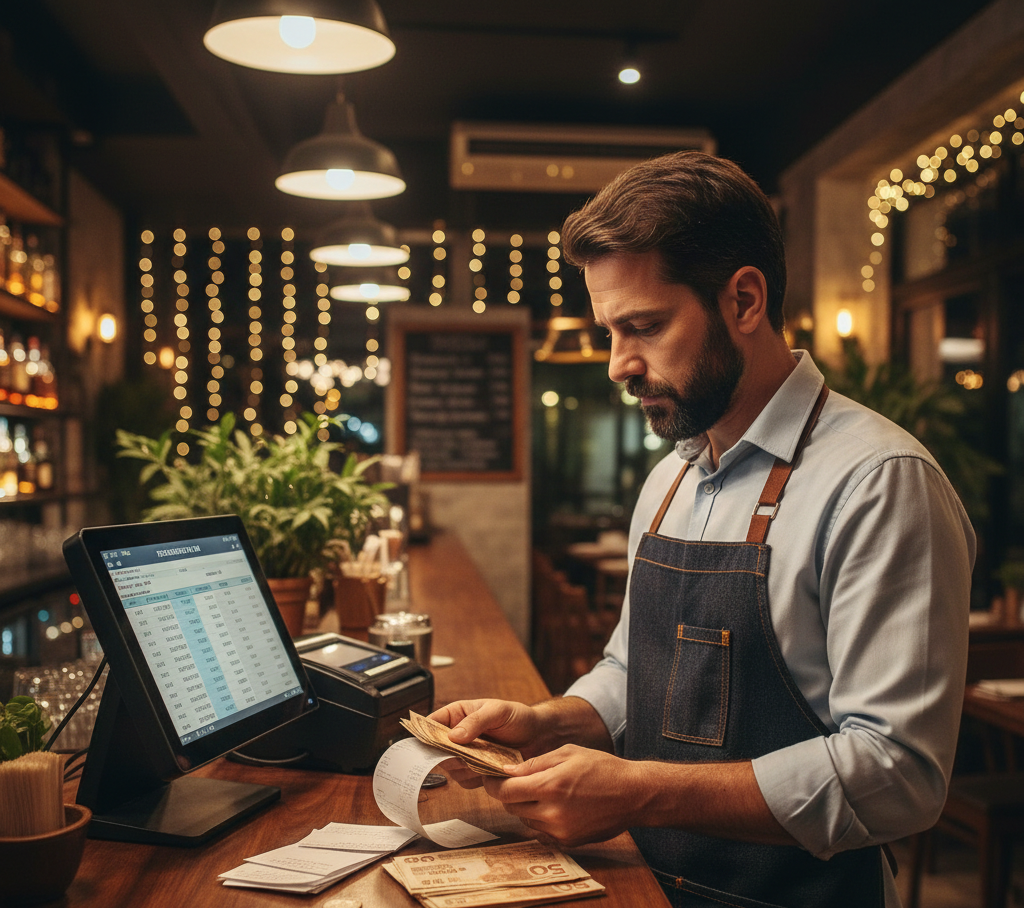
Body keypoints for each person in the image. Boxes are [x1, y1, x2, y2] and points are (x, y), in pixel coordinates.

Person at [430, 151, 976, 908]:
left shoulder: (879, 482)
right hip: (651, 887)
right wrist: (547, 722)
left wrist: (638, 791)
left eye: (644, 327)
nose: (618, 365)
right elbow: (634, 673)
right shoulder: (670, 480)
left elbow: (898, 775)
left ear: (744, 300)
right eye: (610, 332)